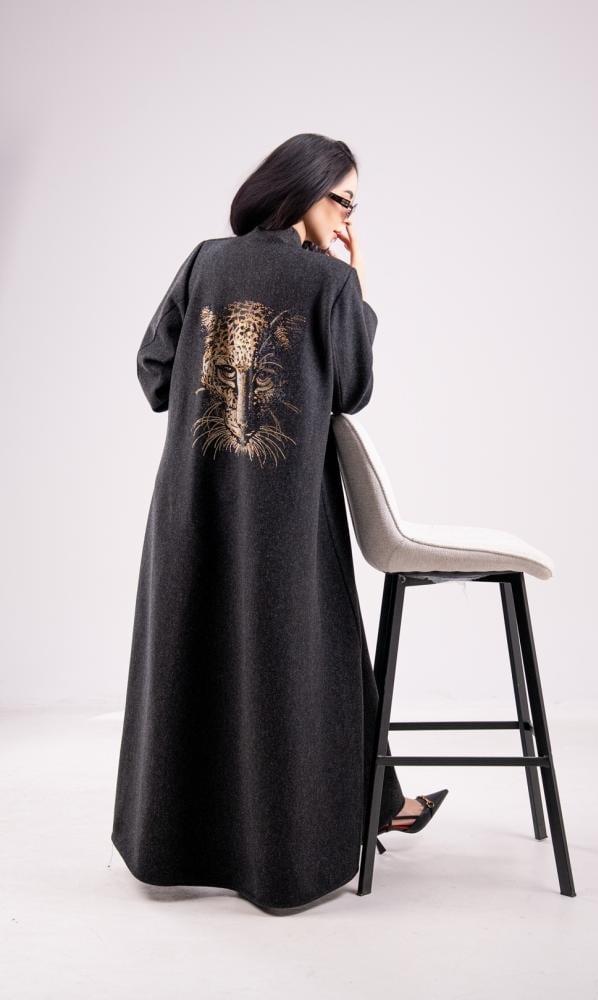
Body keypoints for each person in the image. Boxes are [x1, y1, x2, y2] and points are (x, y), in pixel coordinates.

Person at [110, 132, 435, 911]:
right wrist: (356, 285)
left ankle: (177, 847)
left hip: (192, 500)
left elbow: (154, 370)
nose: (348, 218)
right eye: (342, 200)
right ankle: (302, 846)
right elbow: (351, 388)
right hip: (285, 512)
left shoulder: (205, 261)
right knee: (298, 661)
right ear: (302, 190)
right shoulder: (327, 280)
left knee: (190, 651)